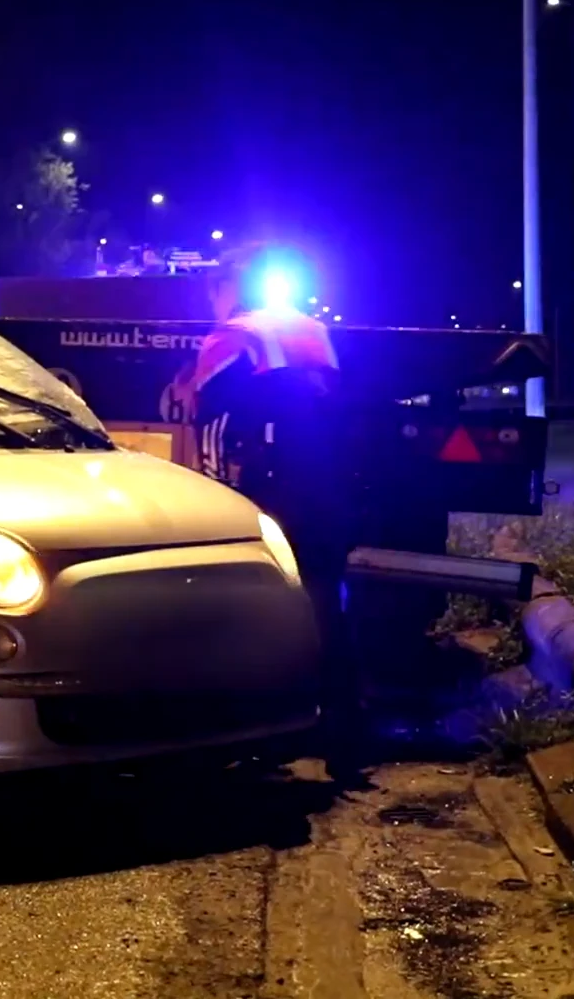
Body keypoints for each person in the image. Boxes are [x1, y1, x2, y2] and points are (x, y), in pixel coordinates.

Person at [165, 243, 366, 780]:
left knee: (252, 611)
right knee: (325, 605)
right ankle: (344, 729)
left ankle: (261, 731)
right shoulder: (312, 330)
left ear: (229, 288)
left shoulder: (234, 335)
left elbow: (204, 418)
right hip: (326, 489)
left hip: (270, 493)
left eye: (214, 290)